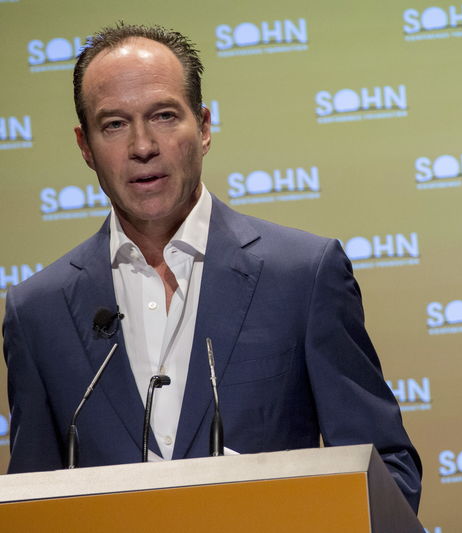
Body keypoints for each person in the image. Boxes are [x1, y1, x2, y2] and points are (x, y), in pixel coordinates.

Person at [3, 23, 421, 511]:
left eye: (163, 115)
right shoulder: (37, 313)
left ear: (202, 127)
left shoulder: (302, 275)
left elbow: (387, 472)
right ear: (85, 146)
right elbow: (29, 502)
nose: (142, 146)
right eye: (114, 124)